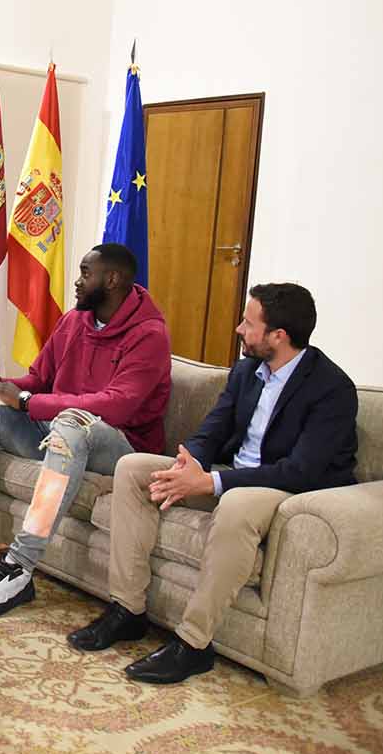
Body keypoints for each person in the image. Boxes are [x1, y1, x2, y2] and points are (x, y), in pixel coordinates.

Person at [68, 283, 357, 685]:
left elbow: (301, 471)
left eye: (248, 323)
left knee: (236, 506)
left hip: (285, 489)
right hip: (230, 473)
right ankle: (128, 611)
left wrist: (213, 482)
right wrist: (191, 463)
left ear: (279, 336)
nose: (239, 328)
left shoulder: (331, 389)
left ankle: (193, 644)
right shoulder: (245, 371)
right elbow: (213, 430)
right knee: (135, 468)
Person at [0, 243, 172, 620]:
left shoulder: (149, 334)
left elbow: (116, 405)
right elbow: (40, 378)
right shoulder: (74, 320)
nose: (77, 283)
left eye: (84, 273)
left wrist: (28, 403)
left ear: (112, 279)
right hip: (61, 429)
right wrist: (2, 386)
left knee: (72, 423)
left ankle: (19, 566)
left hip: (122, 447)